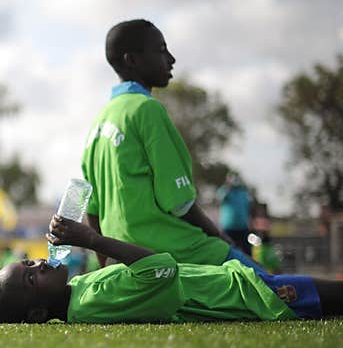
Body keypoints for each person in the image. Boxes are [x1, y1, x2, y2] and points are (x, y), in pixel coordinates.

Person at [79, 19, 264, 272]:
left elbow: (92, 211)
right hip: (177, 250)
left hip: (129, 260)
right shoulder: (146, 109)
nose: (171, 59)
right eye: (161, 50)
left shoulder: (98, 123)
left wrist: (107, 269)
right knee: (279, 288)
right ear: (132, 60)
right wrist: (220, 237)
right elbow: (179, 203)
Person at [0, 215, 343, 324]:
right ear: (38, 313)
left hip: (236, 285)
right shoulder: (92, 302)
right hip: (247, 297)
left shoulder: (79, 293)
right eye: (31, 276)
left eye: (29, 261)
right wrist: (92, 240)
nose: (38, 263)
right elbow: (163, 269)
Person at [216, 173, 252, 254]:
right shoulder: (224, 190)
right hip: (228, 228)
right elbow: (219, 199)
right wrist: (228, 186)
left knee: (247, 253)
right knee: (227, 252)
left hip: (243, 228)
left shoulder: (244, 192)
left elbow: (248, 208)